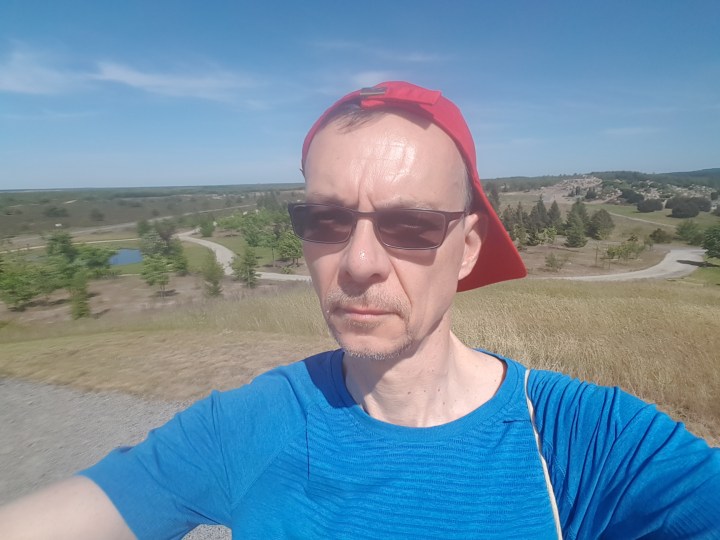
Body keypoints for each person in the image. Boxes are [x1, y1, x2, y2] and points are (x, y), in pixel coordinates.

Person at [1, 81, 719, 539]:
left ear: (468, 249)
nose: (359, 262)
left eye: (411, 225)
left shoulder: (587, 442)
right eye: (326, 220)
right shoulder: (251, 423)